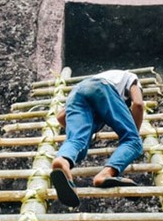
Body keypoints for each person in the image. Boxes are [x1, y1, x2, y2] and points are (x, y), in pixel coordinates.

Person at [49, 69, 145, 207]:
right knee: (133, 142)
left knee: (77, 142)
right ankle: (105, 174)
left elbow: (61, 116)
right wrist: (134, 134)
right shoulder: (131, 77)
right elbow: (138, 104)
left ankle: (62, 161)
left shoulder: (92, 81)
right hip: (102, 88)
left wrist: (87, 135)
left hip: (76, 92)